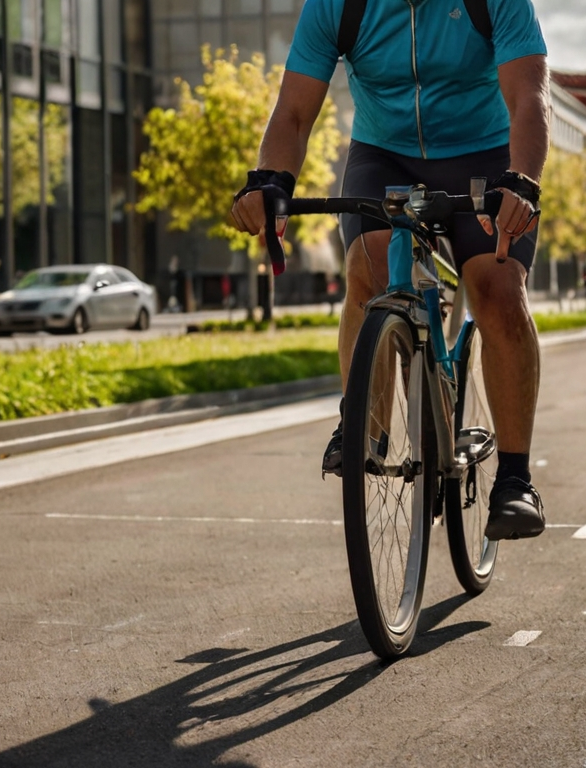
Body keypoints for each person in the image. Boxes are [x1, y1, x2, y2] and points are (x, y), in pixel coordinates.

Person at [230, 0, 550, 541]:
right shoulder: (337, 5)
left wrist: (521, 180)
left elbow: (528, 97)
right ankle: (366, 428)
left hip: (486, 155)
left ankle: (515, 479)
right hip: (384, 155)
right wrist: (269, 181)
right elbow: (293, 113)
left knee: (497, 292)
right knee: (367, 267)